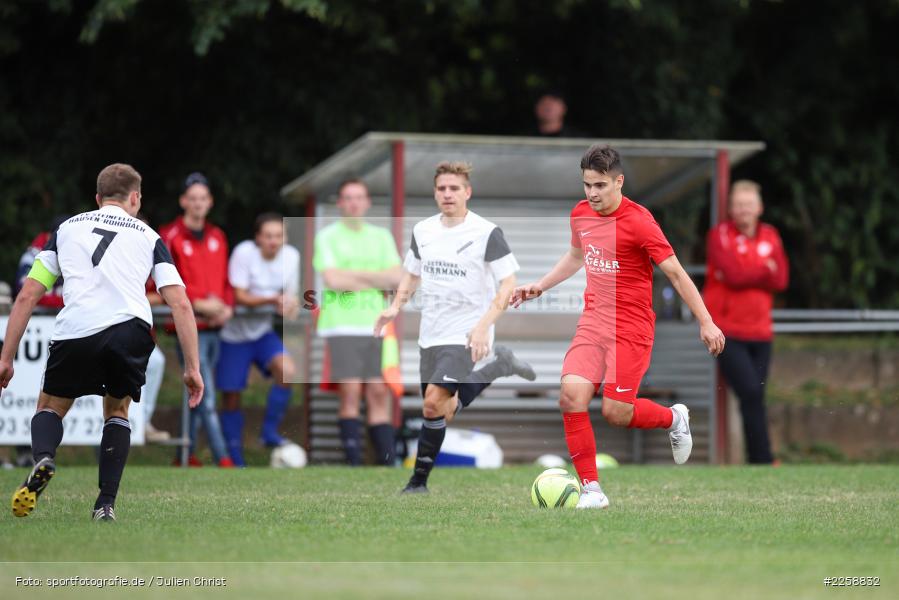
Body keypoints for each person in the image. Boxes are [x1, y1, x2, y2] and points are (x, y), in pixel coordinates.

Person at [511, 145, 725, 509]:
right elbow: (576, 256)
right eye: (587, 185)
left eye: (600, 185)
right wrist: (540, 286)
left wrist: (706, 322)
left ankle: (674, 418)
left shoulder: (640, 221)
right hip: (593, 322)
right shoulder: (581, 214)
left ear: (618, 181)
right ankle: (592, 490)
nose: (592, 193)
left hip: (631, 328)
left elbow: (675, 273)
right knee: (570, 397)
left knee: (616, 412)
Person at [0, 163, 203, 521]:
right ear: (135, 198)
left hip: (77, 327)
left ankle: (43, 458)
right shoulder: (149, 236)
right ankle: (105, 504)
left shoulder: (66, 229)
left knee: (49, 408)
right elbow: (181, 304)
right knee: (117, 412)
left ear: (97, 198)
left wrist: (6, 357)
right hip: (130, 329)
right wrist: (192, 368)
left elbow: (27, 295)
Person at [374, 161, 536, 493]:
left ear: (467, 192)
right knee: (441, 410)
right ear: (435, 193)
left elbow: (508, 283)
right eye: (442, 188)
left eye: (454, 188)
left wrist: (482, 327)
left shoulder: (486, 232)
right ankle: (500, 366)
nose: (447, 194)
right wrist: (394, 307)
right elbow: (412, 274)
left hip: (467, 333)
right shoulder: (423, 230)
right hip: (431, 334)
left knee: (432, 402)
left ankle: (417, 483)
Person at [313, 179, 404, 466]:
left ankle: (387, 464)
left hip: (376, 325)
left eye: (359, 197)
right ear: (340, 203)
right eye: (348, 198)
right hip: (342, 325)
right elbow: (333, 280)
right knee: (350, 391)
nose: (354, 203)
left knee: (378, 391)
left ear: (367, 202)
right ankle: (353, 464)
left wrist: (354, 276)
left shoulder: (381, 236)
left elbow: (396, 277)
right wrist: (375, 277)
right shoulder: (327, 236)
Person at [703, 180, 788, 464]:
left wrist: (751, 270)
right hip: (728, 332)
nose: (744, 210)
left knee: (755, 395)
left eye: (749, 204)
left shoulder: (771, 235)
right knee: (750, 390)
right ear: (730, 208)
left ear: (759, 207)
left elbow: (781, 279)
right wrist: (764, 269)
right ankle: (763, 459)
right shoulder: (720, 235)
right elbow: (733, 275)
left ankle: (758, 461)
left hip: (761, 331)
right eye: (738, 205)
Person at [160, 172, 233, 467]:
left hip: (215, 326)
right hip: (189, 326)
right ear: (183, 201)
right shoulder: (170, 236)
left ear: (210, 201)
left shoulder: (218, 236)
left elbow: (225, 280)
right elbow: (164, 279)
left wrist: (227, 306)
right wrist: (199, 303)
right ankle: (223, 458)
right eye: (193, 198)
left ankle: (184, 456)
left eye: (203, 198)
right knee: (208, 395)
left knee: (197, 393)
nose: (198, 203)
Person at [217, 213, 300, 467]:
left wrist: (289, 305)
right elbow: (239, 296)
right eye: (268, 236)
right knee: (231, 396)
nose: (273, 241)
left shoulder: (292, 256)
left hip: (262, 332)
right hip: (233, 334)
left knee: (287, 370)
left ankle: (269, 432)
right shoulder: (243, 253)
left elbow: (291, 298)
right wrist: (273, 300)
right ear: (257, 238)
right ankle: (235, 457)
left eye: (278, 236)